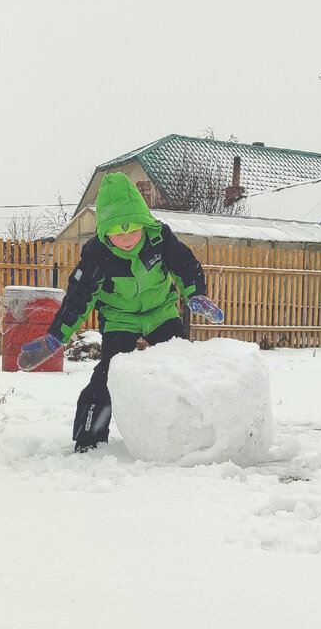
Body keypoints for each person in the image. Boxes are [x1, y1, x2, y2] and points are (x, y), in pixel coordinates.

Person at [18, 173, 224, 452]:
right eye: (118, 232)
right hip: (119, 319)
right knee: (108, 374)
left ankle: (193, 432)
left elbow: (186, 266)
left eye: (133, 230)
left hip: (161, 312)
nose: (127, 239)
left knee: (181, 369)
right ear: (105, 230)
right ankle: (89, 438)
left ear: (144, 222)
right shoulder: (96, 254)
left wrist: (195, 294)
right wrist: (55, 338)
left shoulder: (159, 238)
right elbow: (79, 299)